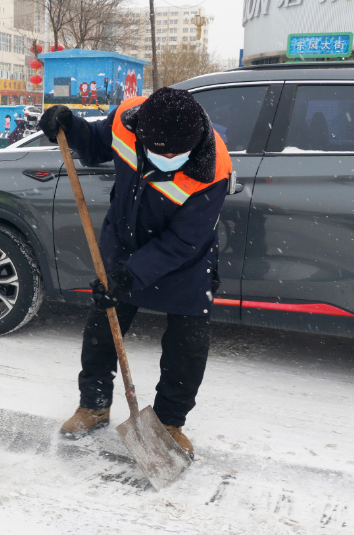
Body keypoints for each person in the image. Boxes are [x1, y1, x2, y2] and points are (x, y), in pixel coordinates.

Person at [39, 87, 232, 459]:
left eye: (177, 153)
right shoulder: (129, 117)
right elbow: (95, 144)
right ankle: (94, 405)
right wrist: (69, 125)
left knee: (188, 346)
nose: (169, 158)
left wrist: (132, 275)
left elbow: (183, 241)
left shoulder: (213, 169)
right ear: (142, 133)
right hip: (124, 245)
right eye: (161, 151)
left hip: (184, 263)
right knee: (101, 330)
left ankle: (168, 424)